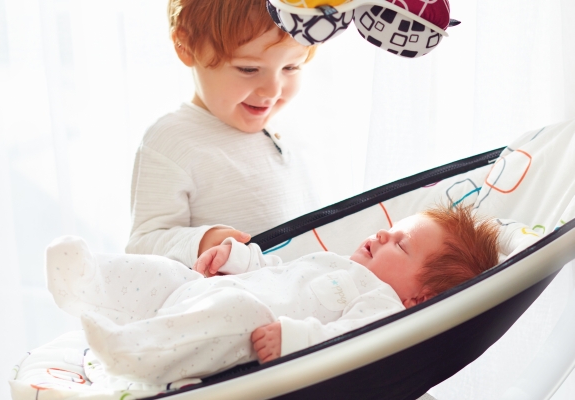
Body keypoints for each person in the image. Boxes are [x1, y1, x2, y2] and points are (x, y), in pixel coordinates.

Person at [47, 205, 503, 384]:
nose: (383, 235)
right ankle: (90, 282)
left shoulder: (379, 305)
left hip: (240, 326)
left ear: (418, 301)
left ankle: (135, 350)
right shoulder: (334, 263)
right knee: (166, 274)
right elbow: (280, 271)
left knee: (238, 309)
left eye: (401, 244)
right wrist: (237, 259)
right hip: (206, 294)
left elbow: (351, 338)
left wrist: (296, 340)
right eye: (390, 229)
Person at [125, 0, 320, 268]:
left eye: (291, 67)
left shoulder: (286, 128)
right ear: (185, 45)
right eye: (248, 69)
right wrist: (204, 241)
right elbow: (142, 245)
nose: (272, 91)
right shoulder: (170, 140)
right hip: (237, 303)